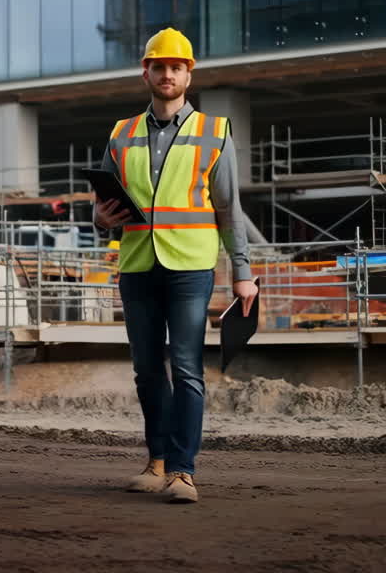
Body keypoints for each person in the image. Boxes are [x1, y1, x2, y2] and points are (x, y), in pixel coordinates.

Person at [94, 27, 257, 504]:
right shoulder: (120, 133)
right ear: (145, 73)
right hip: (137, 264)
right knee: (147, 370)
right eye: (159, 66)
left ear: (189, 75)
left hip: (190, 265)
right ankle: (157, 461)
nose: (168, 74)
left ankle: (183, 472)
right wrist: (100, 219)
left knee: (186, 368)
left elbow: (228, 208)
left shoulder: (214, 131)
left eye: (176, 67)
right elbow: (103, 205)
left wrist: (242, 273)